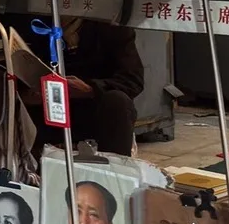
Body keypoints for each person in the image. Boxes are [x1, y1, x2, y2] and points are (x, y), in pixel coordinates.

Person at [28, 16, 143, 157]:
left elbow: (133, 80)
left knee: (118, 101)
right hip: (48, 109)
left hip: (94, 110)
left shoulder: (111, 27)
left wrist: (90, 89)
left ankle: (114, 173)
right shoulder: (35, 23)